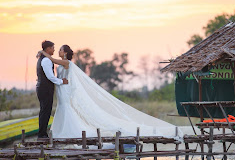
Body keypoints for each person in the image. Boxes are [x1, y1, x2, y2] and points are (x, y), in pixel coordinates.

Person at [38, 45, 183, 140]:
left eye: (61, 49)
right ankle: (61, 131)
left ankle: (68, 132)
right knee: (63, 107)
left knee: (66, 107)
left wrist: (43, 52)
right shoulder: (62, 62)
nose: (58, 51)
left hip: (65, 89)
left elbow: (52, 60)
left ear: (65, 53)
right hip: (62, 89)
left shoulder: (66, 62)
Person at [36, 40, 68, 140]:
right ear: (48, 49)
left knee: (45, 110)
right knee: (45, 111)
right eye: (53, 48)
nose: (54, 49)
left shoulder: (44, 58)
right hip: (45, 88)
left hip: (43, 87)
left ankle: (42, 133)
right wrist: (61, 81)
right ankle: (42, 134)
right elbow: (50, 76)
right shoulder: (46, 60)